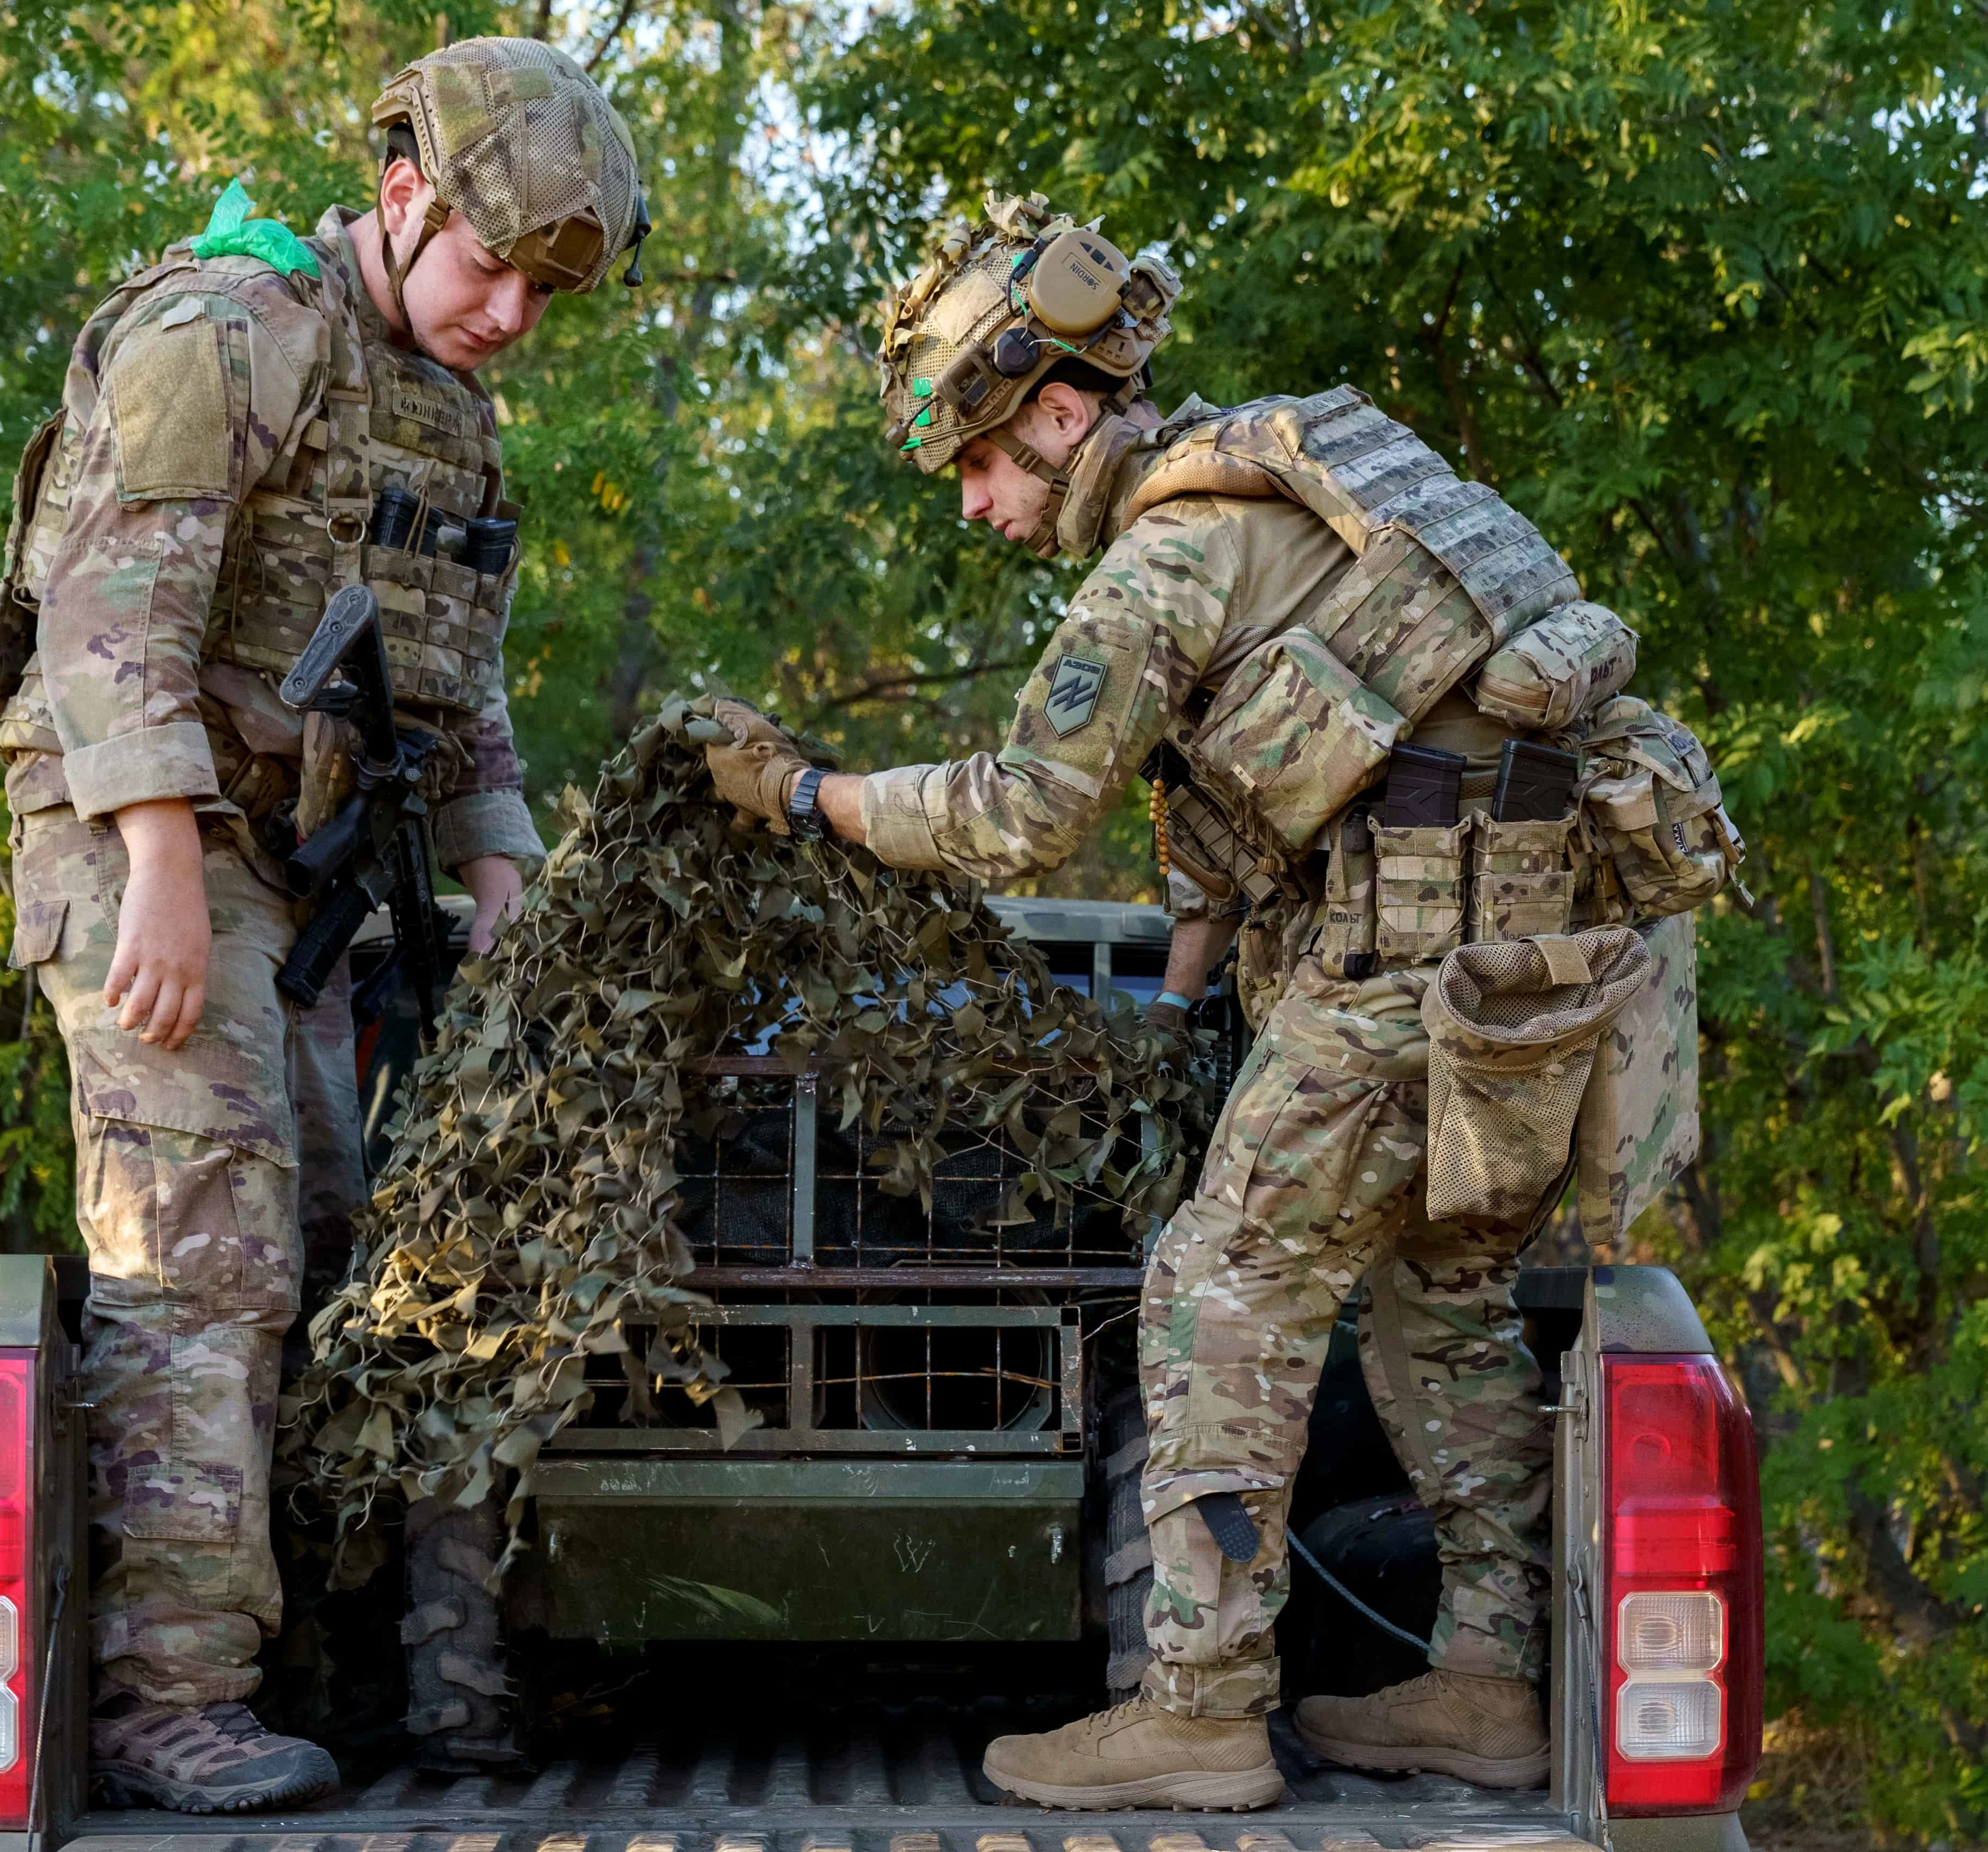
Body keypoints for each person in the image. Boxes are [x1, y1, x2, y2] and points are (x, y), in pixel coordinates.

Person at [698, 192, 1735, 1810]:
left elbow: (1019, 815)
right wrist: (1182, 1007)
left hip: (1403, 977)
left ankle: (1196, 1705)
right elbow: (1259, 802)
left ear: (1058, 410)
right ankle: (1486, 1679)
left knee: (1215, 1289)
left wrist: (807, 791)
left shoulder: (1166, 553)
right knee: (1437, 1299)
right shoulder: (1302, 482)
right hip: (1531, 984)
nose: (974, 503)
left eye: (980, 461)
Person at [0, 38, 647, 1815]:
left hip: (305, 857)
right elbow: (112, 621)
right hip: (139, 829)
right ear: (403, 198)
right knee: (203, 1247)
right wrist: (168, 867)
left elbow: (460, 688)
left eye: (538, 293)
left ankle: (318, 1672)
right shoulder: (229, 329)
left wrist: (502, 866)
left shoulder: (454, 415)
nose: (505, 316)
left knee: (344, 1247)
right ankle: (160, 1694)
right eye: (486, 268)